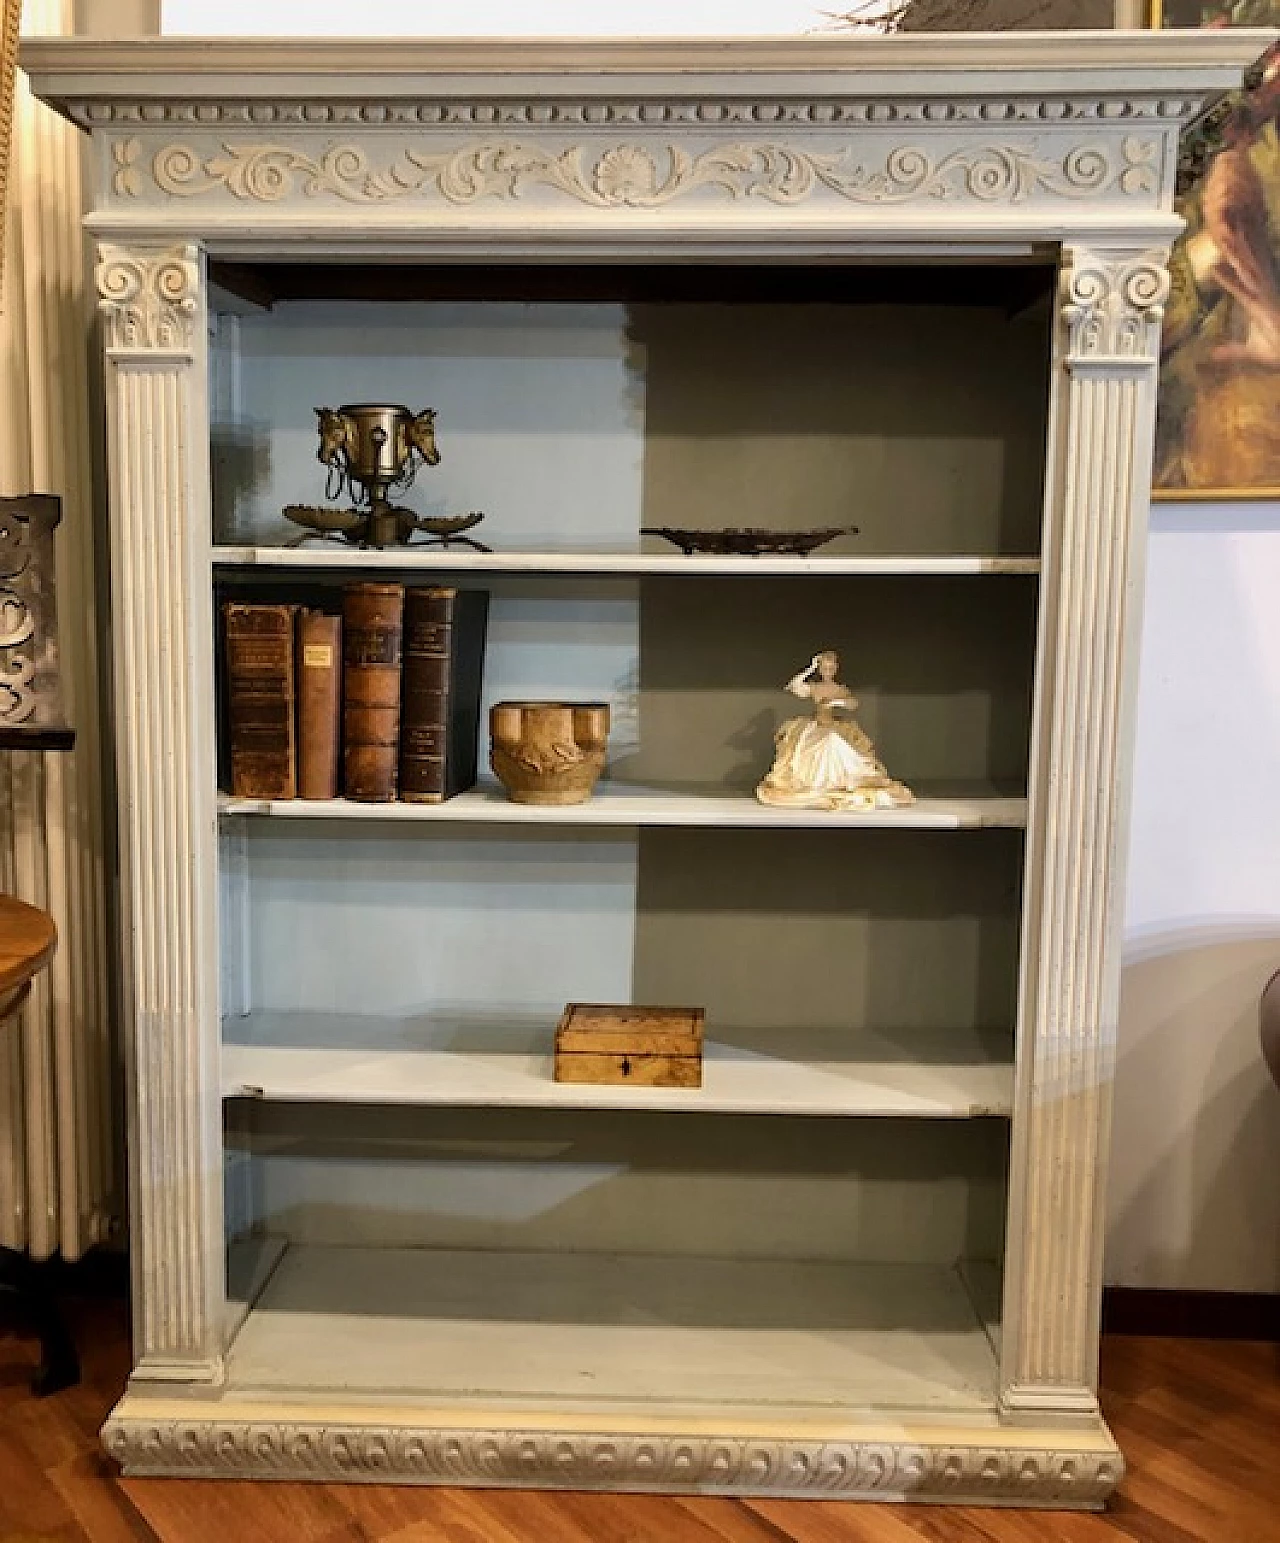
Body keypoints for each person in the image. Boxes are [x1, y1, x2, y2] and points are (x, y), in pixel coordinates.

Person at [755, 650, 913, 812]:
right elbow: (793, 686)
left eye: (831, 669)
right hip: (815, 727)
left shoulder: (839, 689)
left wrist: (837, 702)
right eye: (824, 669)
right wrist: (810, 668)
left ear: (835, 669)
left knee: (834, 740)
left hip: (834, 726)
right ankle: (819, 782)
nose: (828, 672)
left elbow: (853, 703)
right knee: (825, 741)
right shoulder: (815, 687)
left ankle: (841, 781)